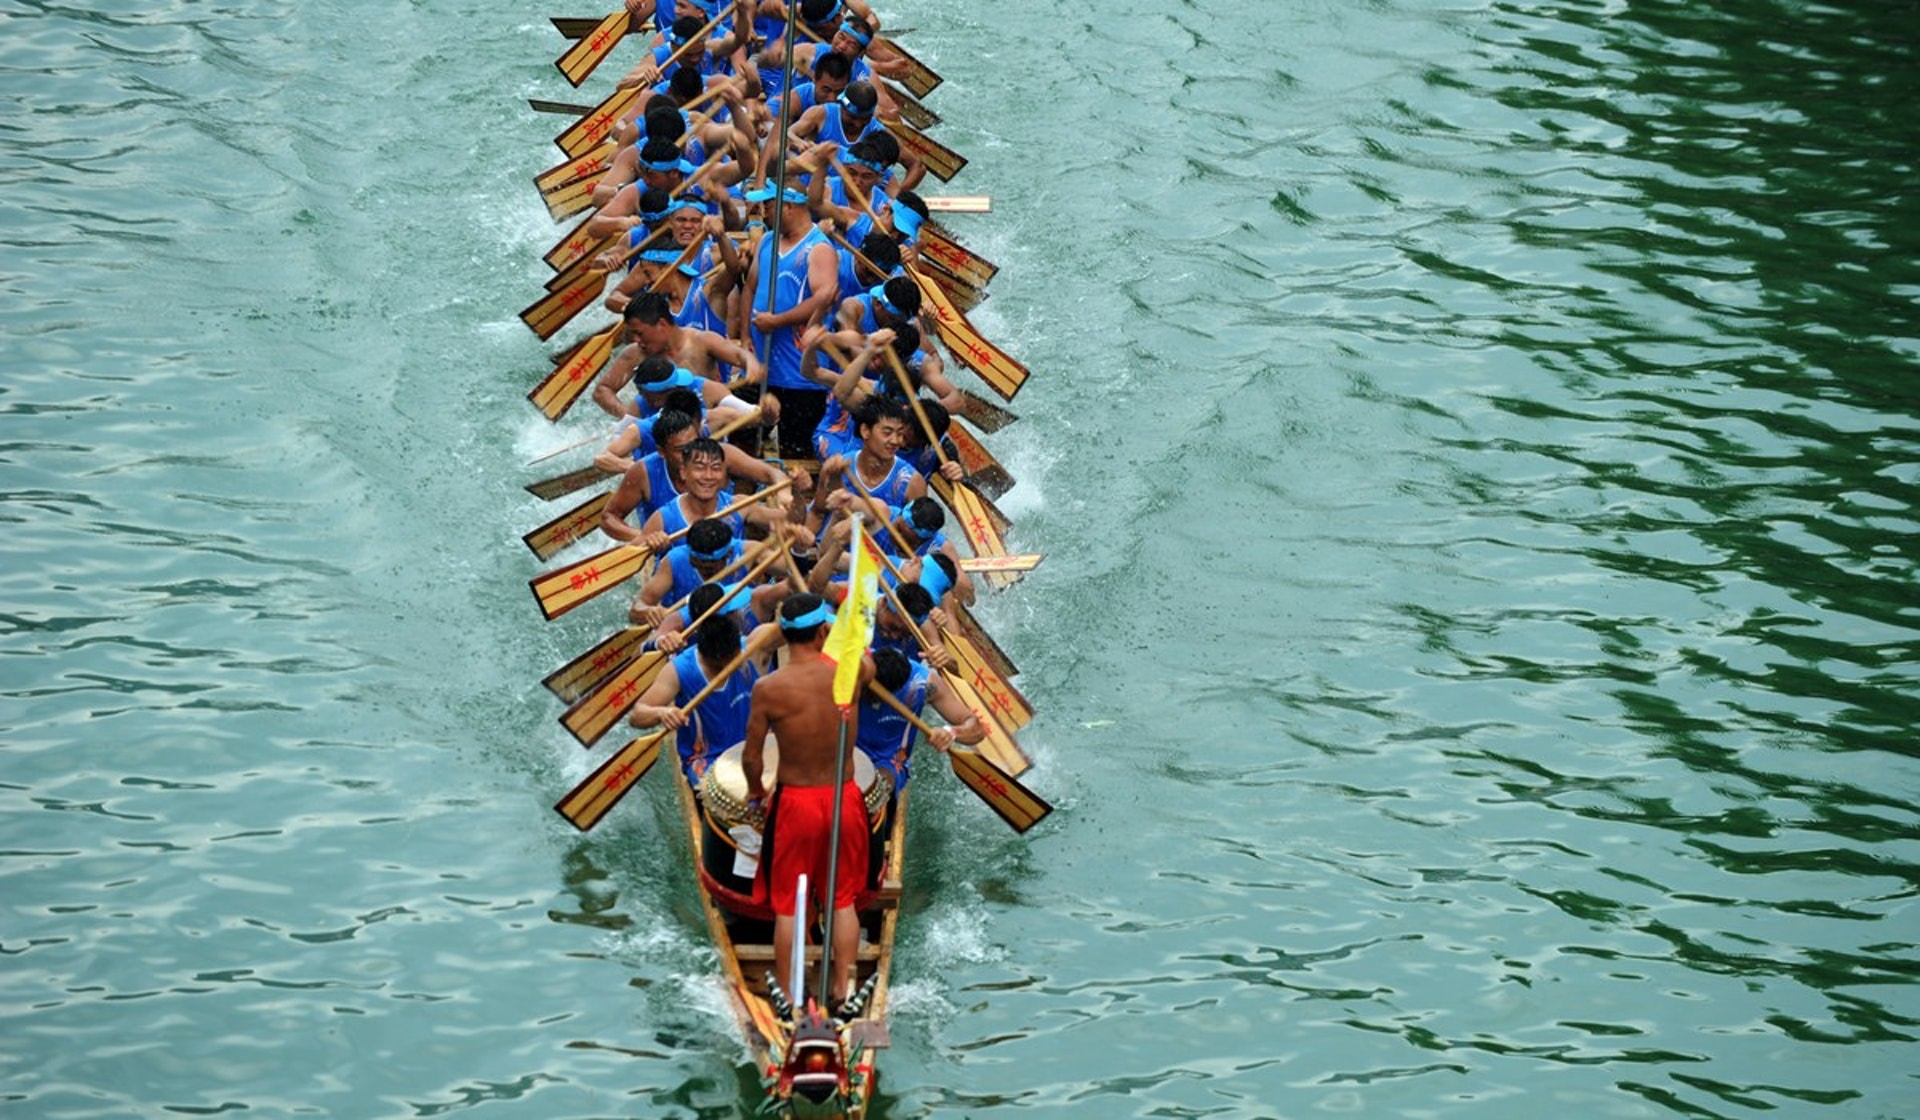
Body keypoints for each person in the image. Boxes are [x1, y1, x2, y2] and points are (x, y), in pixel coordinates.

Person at [742, 593, 874, 1008]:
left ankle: (789, 993)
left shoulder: (768, 688)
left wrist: (756, 791)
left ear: (782, 635)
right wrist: (837, 630)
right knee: (842, 899)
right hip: (844, 798)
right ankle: (843, 988)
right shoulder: (850, 674)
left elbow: (751, 756)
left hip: (795, 803)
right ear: (823, 631)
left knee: (788, 902)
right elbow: (867, 662)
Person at [627, 582, 779, 783]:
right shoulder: (680, 670)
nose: (729, 668)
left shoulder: (753, 646)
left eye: (733, 660)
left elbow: (796, 622)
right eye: (720, 665)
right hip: (708, 760)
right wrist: (661, 713)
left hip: (758, 745)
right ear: (707, 656)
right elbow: (637, 715)